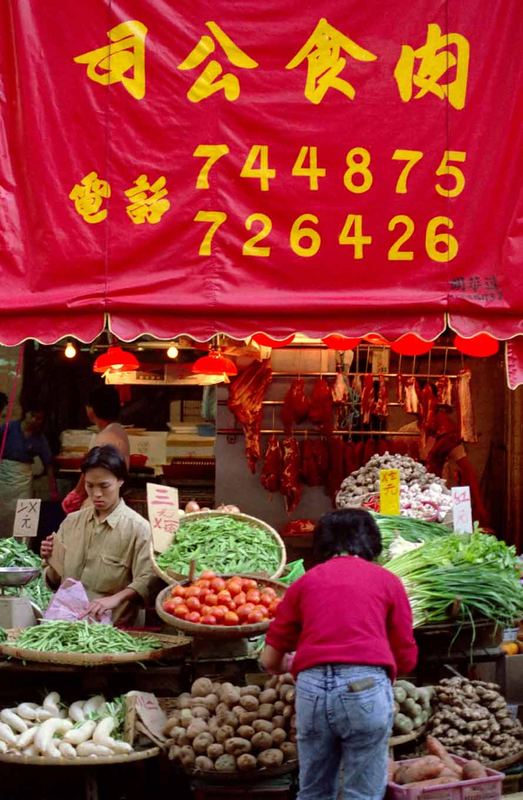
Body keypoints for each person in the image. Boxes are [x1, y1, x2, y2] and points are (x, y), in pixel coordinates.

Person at [261, 508, 417, 800]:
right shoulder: (387, 581)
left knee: (314, 791)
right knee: (363, 794)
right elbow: (406, 656)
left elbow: (269, 660)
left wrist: (289, 662)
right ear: (371, 542)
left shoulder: (303, 584)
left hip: (310, 691)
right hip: (366, 689)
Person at [41, 445, 158, 624]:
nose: (96, 494)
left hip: (113, 631)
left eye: (104, 486)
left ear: (120, 481)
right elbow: (55, 581)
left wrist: (115, 599)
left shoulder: (139, 529)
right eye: (90, 485)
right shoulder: (71, 522)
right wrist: (51, 560)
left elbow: (147, 581)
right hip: (65, 627)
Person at [62, 385, 130, 513]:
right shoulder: (119, 430)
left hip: (100, 499)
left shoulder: (104, 437)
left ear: (91, 410)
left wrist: (76, 494)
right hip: (111, 498)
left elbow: (92, 470)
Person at [0, 407, 57, 537]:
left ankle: (23, 549)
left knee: (24, 514)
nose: (34, 420)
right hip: (4, 476)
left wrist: (52, 489)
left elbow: (48, 464)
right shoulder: (8, 428)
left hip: (23, 478)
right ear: (26, 414)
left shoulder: (39, 438)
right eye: (33, 415)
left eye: (39, 418)